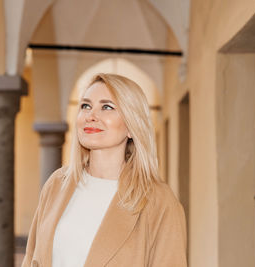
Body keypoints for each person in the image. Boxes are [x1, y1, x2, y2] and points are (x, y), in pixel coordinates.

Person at [21, 73, 187, 267]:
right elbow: (31, 257)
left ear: (131, 127)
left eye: (107, 107)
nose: (91, 116)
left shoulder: (158, 201)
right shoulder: (56, 184)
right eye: (86, 106)